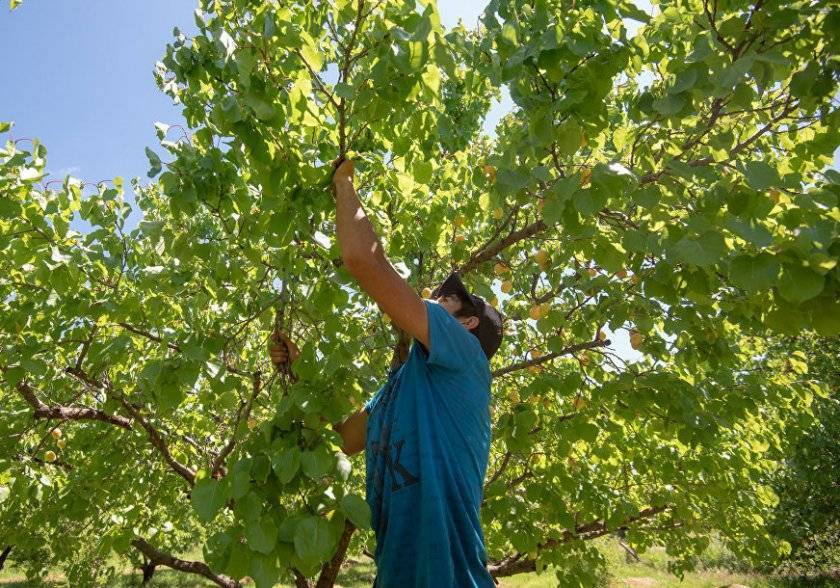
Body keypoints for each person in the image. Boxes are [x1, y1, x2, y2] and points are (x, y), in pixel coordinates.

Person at [269, 157, 503, 587]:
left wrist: (344, 184)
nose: (436, 296)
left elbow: (364, 261)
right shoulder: (402, 390)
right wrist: (299, 366)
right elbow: (346, 437)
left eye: (450, 298)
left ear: (468, 323)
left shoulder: (466, 352)